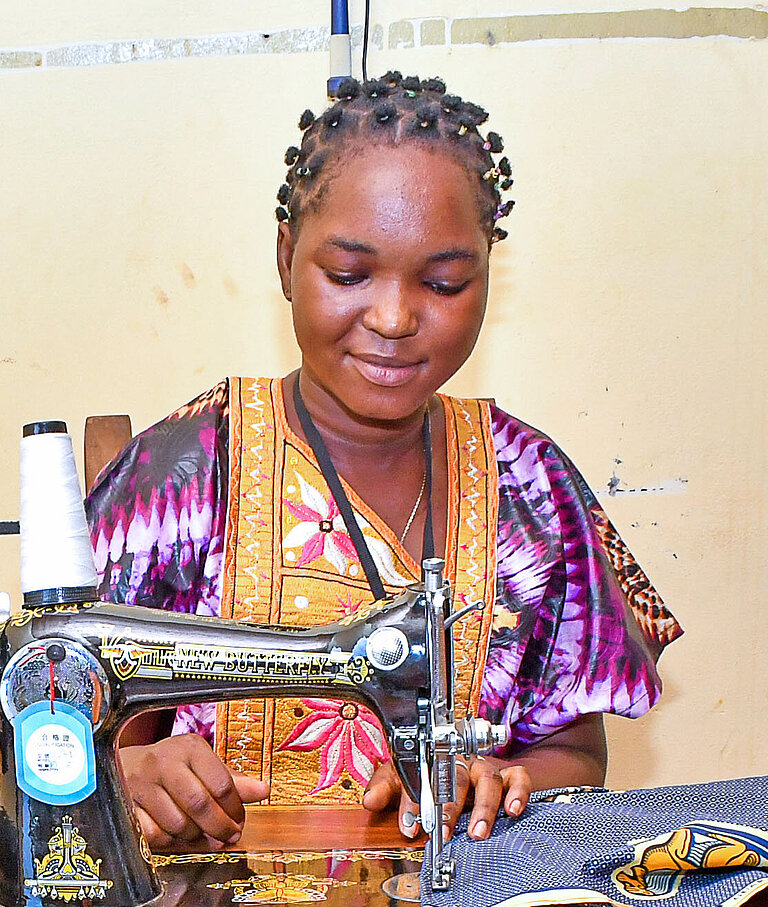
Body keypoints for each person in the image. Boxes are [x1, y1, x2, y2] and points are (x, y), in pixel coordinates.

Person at [85, 72, 682, 854]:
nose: (395, 317)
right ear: (286, 255)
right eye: (348, 274)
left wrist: (503, 778)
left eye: (443, 282)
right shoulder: (180, 476)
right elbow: (59, 726)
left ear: (485, 280)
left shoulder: (531, 485)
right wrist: (126, 770)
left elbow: (576, 753)